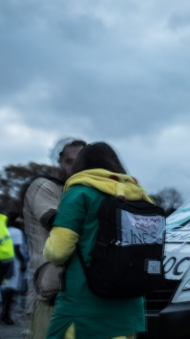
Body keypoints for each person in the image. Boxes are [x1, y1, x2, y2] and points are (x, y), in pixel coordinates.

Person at [43, 142, 148, 339]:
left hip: (84, 307)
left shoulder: (79, 193)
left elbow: (58, 251)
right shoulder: (139, 195)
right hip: (129, 307)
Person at [22, 138, 85, 339]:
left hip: (77, 295)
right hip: (48, 295)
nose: (75, 167)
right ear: (59, 162)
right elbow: (60, 224)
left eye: (81, 161)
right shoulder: (44, 187)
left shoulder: (81, 192)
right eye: (69, 161)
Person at [0, 212, 27, 325]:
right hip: (13, 264)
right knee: (10, 291)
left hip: (4, 264)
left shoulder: (4, 230)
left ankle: (4, 314)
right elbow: (16, 248)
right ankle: (5, 315)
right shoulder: (17, 232)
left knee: (4, 290)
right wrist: (22, 262)